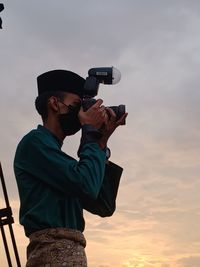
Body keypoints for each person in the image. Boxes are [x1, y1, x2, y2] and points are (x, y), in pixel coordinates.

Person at [14, 69, 128, 267]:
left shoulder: (60, 161)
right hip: (51, 254)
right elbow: (86, 184)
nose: (80, 114)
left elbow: (103, 205)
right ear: (54, 104)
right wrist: (90, 136)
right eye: (76, 106)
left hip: (72, 254)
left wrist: (101, 143)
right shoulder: (34, 143)